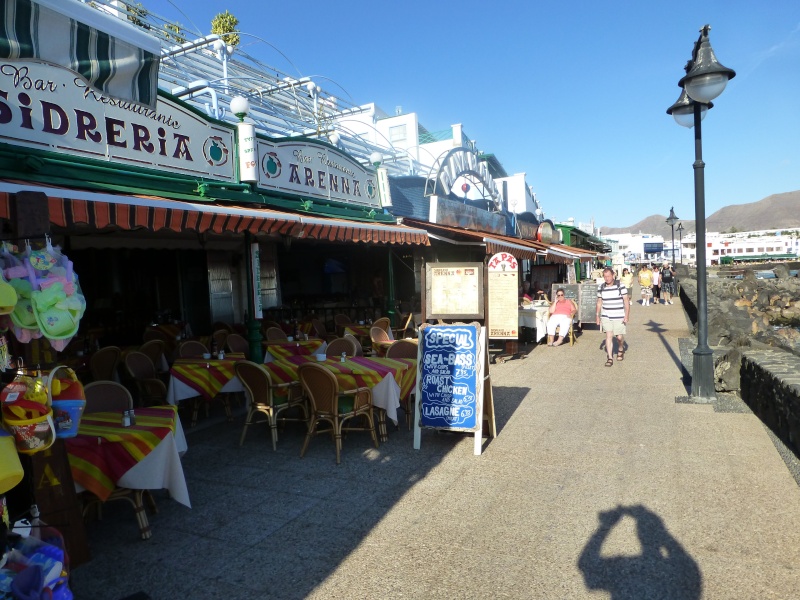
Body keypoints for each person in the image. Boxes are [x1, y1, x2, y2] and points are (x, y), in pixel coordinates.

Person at [596, 267, 630, 366]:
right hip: (606, 315)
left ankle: (620, 348)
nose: (607, 278)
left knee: (619, 337)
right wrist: (597, 315)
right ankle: (610, 357)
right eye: (605, 277)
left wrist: (627, 315)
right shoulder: (601, 287)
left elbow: (626, 301)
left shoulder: (620, 286)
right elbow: (599, 302)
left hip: (619, 315)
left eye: (608, 276)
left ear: (613, 275)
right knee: (609, 335)